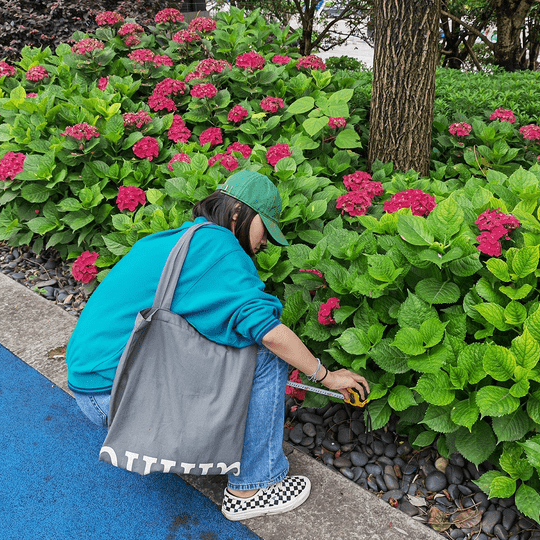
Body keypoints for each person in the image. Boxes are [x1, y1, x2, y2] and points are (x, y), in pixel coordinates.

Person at [66, 169, 370, 521]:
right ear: (238, 213)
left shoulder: (177, 239)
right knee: (266, 355)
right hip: (118, 397)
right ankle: (255, 487)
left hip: (91, 388)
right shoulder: (220, 247)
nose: (265, 243)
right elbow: (270, 334)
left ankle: (221, 449)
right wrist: (327, 376)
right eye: (265, 228)